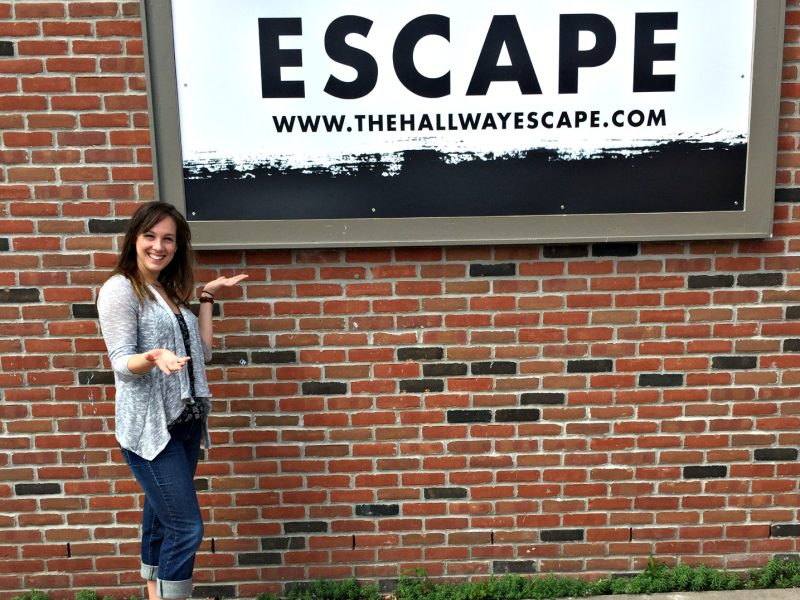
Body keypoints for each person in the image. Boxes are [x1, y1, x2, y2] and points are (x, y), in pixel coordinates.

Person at [97, 201, 247, 600]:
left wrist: (207, 298)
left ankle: (153, 591)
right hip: (151, 428)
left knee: (162, 519)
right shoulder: (120, 289)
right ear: (135, 239)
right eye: (150, 236)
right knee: (186, 528)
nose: (158, 246)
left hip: (184, 421)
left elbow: (204, 351)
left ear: (177, 246)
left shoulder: (165, 290)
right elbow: (121, 363)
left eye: (168, 239)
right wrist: (151, 357)